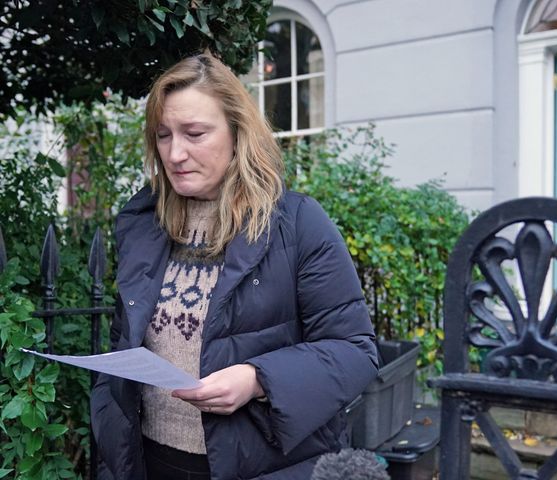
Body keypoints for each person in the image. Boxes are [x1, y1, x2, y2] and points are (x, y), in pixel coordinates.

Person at [90, 53, 379, 480]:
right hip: (150, 461)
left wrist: (257, 379)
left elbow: (355, 350)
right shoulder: (143, 224)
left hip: (262, 465)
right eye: (164, 135)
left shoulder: (296, 224)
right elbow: (125, 346)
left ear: (238, 133)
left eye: (195, 133)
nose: (175, 153)